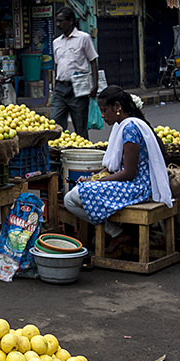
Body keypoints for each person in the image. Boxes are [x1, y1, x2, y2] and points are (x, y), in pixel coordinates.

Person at [64, 86, 173, 253]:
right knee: (73, 197)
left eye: (104, 110)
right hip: (131, 183)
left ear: (117, 106)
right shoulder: (122, 126)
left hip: (138, 187)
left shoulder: (130, 128)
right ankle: (119, 232)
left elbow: (129, 173)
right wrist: (93, 179)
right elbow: (113, 167)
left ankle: (119, 232)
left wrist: (99, 181)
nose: (102, 115)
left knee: (73, 198)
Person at [50, 6, 99, 140]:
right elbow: (57, 65)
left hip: (78, 88)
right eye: (57, 21)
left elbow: (93, 61)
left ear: (71, 21)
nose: (58, 25)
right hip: (60, 88)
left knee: (80, 127)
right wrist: (54, 85)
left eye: (61, 21)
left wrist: (95, 84)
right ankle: (58, 153)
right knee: (54, 122)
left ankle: (83, 155)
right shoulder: (56, 42)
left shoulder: (84, 38)